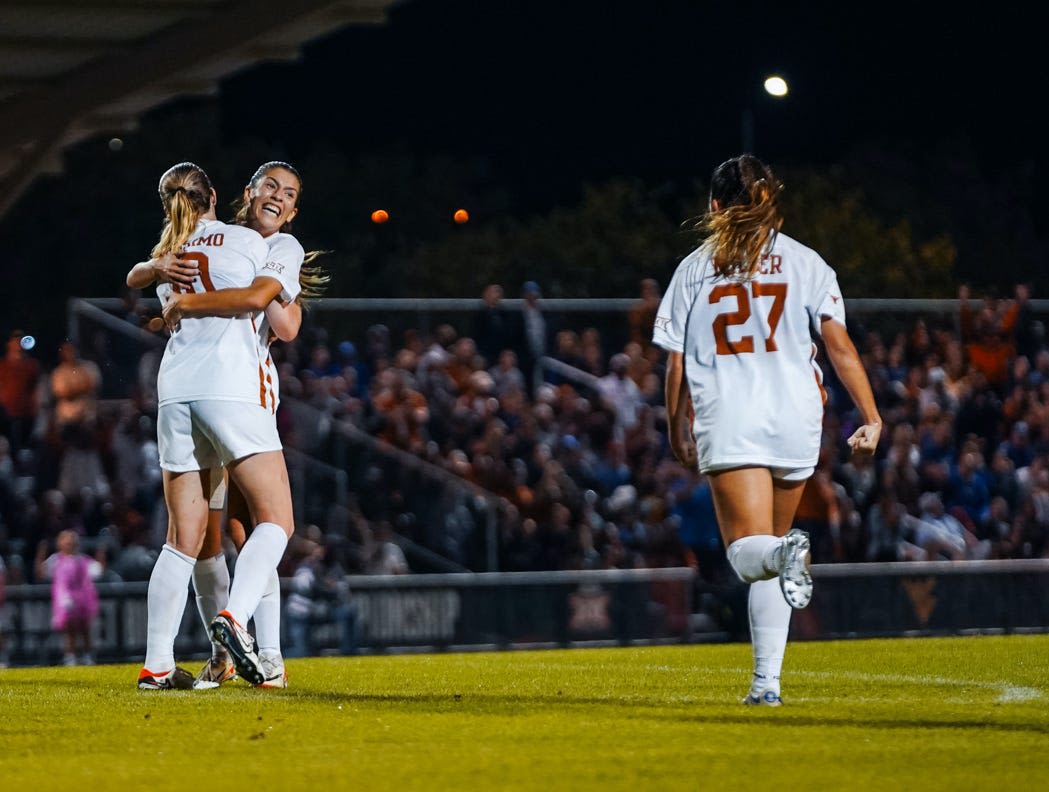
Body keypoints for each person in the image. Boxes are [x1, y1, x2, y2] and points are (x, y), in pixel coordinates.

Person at [654, 155, 882, 707]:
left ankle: (784, 560)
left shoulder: (694, 268)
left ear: (713, 206)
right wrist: (872, 417)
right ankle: (766, 685)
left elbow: (676, 363)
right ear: (770, 201)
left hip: (732, 411)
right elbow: (839, 347)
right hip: (796, 415)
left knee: (748, 555)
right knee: (771, 551)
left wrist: (676, 425)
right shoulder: (806, 262)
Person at [128, 162, 299, 690]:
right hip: (233, 391)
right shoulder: (257, 246)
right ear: (236, 193)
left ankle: (160, 664)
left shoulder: (178, 248)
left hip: (176, 390)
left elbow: (140, 282)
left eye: (288, 193)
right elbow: (273, 313)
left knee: (190, 539)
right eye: (270, 185)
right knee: (270, 525)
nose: (277, 196)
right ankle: (238, 629)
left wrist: (162, 283)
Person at [35, 529, 100, 666]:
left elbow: (97, 571)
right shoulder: (55, 560)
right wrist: (40, 554)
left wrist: (101, 553)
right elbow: (41, 573)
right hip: (65, 600)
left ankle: (88, 656)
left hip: (83, 599)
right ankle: (70, 657)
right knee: (69, 630)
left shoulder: (83, 560)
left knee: (84, 628)